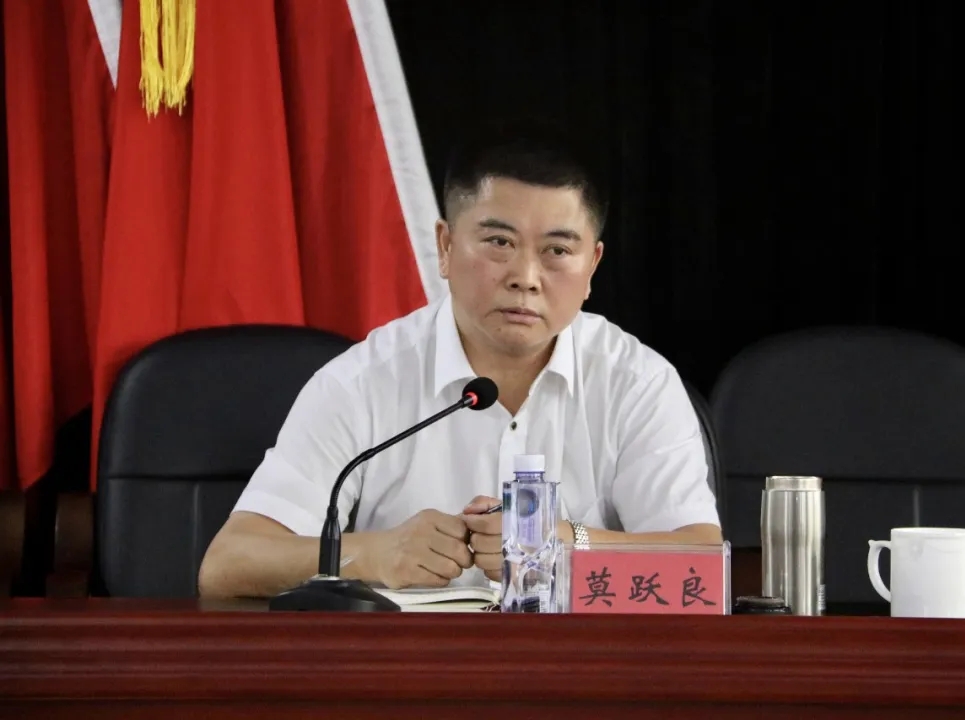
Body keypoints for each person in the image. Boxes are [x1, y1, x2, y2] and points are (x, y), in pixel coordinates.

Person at [198, 122, 722, 599]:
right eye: (498, 242)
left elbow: (702, 569)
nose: (525, 277)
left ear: (592, 267)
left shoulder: (638, 382)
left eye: (557, 251)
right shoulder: (361, 381)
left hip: (580, 665)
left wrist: (566, 544)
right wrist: (373, 554)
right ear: (445, 247)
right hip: (407, 667)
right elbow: (229, 564)